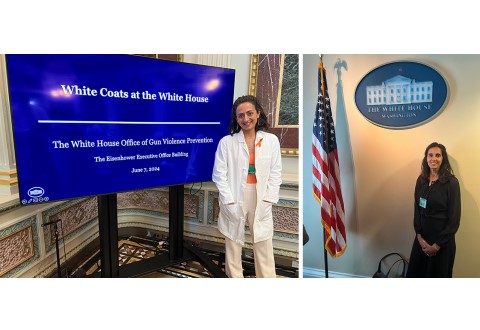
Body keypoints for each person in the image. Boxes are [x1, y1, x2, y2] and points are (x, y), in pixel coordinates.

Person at [212, 95, 282, 278]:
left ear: (258, 113)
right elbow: (219, 174)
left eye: (250, 113)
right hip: (234, 195)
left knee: (263, 241)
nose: (246, 119)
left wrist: (269, 199)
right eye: (240, 115)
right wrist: (229, 201)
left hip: (260, 196)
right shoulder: (226, 143)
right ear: (236, 119)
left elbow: (275, 173)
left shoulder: (271, 141)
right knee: (233, 242)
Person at [406, 142, 461, 278]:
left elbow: (454, 219)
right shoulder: (421, 180)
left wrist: (437, 245)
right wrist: (419, 235)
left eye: (438, 155)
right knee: (415, 273)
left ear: (443, 158)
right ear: (426, 158)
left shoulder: (451, 183)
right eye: (430, 155)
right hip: (422, 239)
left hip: (442, 242)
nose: (433, 159)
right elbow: (417, 209)